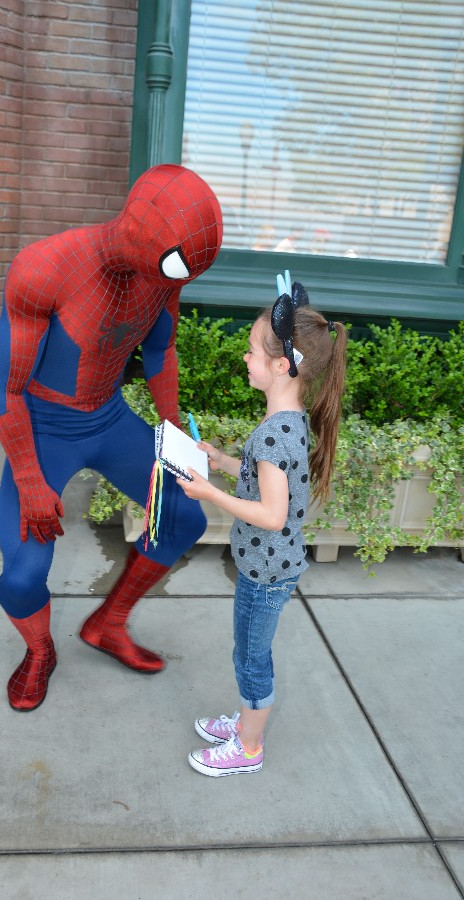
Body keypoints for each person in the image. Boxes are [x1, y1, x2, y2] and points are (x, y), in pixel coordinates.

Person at [0, 164, 223, 711]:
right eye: (178, 268)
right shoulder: (45, 268)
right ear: (144, 233)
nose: (178, 284)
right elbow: (7, 390)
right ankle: (40, 650)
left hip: (111, 418)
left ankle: (108, 623)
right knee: (22, 577)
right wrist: (28, 477)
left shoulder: (164, 275)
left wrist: (173, 438)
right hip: (45, 428)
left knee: (185, 515)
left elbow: (160, 353)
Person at [177, 273, 347, 775]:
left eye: (252, 351)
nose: (245, 358)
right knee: (248, 651)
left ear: (279, 365)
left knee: (251, 660)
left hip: (264, 573)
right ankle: (247, 723)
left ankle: (248, 747)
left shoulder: (276, 435)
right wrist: (220, 459)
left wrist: (209, 493)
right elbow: (262, 478)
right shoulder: (286, 422)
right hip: (271, 567)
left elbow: (271, 514)